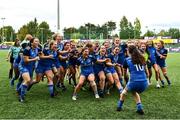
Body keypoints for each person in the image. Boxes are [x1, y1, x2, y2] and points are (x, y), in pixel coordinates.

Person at [117, 45, 148, 115]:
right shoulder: (142, 58)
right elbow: (146, 70)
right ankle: (139, 107)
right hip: (145, 82)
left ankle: (119, 106)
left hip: (134, 82)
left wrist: (126, 81)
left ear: (129, 51)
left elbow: (125, 74)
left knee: (123, 92)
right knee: (134, 92)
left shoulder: (127, 60)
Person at [18, 38, 41, 102]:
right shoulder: (27, 49)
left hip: (31, 67)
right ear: (32, 43)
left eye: (38, 41)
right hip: (23, 66)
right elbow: (26, 60)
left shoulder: (38, 49)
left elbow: (41, 55)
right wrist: (35, 59)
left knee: (29, 81)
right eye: (36, 41)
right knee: (27, 80)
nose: (38, 42)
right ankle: (21, 97)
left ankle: (19, 90)